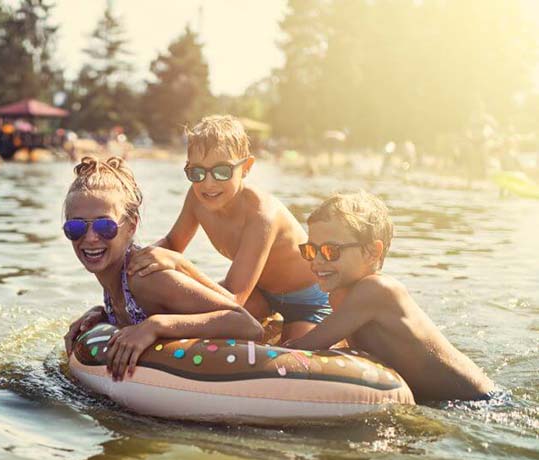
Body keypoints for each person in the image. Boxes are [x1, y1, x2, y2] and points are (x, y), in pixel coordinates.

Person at [71, 115, 329, 343]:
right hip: (260, 293)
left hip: (306, 298)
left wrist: (179, 264)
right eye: (197, 172)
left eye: (221, 171)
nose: (208, 183)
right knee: (190, 309)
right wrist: (132, 268)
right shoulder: (197, 199)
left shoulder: (262, 215)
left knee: (293, 352)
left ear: (246, 168)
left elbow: (235, 299)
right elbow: (172, 243)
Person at [62, 157, 263, 380]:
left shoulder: (144, 278)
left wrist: (157, 325)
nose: (90, 238)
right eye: (76, 226)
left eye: (104, 226)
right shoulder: (112, 278)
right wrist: (103, 314)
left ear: (131, 226)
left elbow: (247, 324)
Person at [283, 191, 494, 403]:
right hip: (436, 400)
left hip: (476, 400)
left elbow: (307, 345)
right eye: (310, 250)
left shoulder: (375, 290)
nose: (316, 261)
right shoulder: (338, 297)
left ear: (372, 252)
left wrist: (258, 349)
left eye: (330, 251)